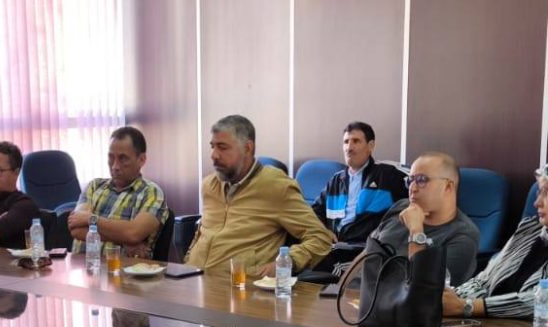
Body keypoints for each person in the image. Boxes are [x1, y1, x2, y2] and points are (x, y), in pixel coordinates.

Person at [184, 115, 333, 277]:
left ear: (247, 148)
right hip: (191, 278)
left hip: (239, 286)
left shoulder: (275, 186)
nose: (214, 155)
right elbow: (201, 235)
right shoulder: (209, 185)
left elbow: (320, 238)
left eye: (222, 147)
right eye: (212, 147)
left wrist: (287, 262)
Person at [443, 165, 548, 319]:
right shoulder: (530, 229)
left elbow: (540, 301)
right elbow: (485, 280)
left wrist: (467, 306)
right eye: (539, 192)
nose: (537, 203)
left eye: (546, 193)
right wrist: (450, 298)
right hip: (493, 326)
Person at [364, 151, 479, 287]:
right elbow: (366, 256)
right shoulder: (401, 207)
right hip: (360, 293)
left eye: (421, 180)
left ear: (448, 187)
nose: (412, 188)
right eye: (410, 180)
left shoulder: (463, 236)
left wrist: (416, 232)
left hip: (399, 299)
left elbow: (424, 289)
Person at [68, 127, 168, 259]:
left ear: (142, 159)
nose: (115, 166)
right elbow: (76, 229)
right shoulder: (94, 186)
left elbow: (133, 233)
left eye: (123, 158)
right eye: (111, 157)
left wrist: (90, 219)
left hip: (123, 270)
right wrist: (124, 240)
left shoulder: (151, 193)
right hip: (81, 268)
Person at [313, 122, 408, 244]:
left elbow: (415, 196)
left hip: (367, 247)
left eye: (356, 141)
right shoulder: (336, 181)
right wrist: (323, 230)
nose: (349, 148)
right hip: (334, 246)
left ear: (371, 146)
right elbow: (313, 212)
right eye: (346, 142)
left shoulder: (387, 175)